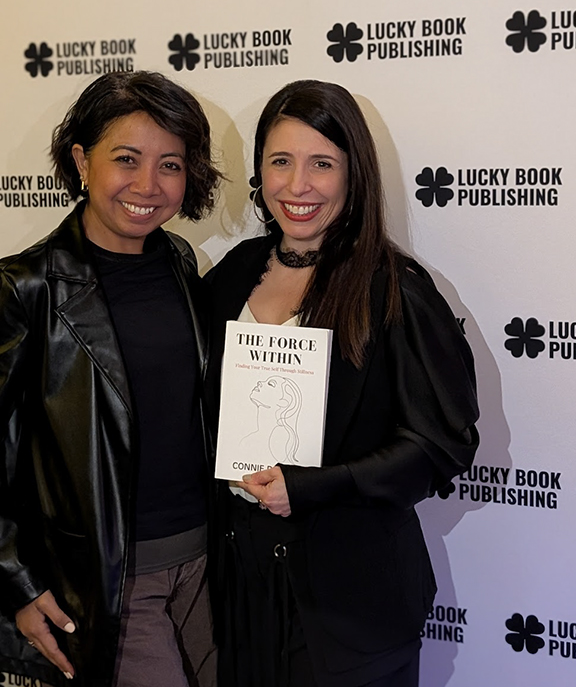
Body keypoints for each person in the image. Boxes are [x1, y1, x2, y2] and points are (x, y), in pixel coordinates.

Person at [0, 71, 222, 687]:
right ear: (81, 161)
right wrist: (18, 581)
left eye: (170, 165)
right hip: (107, 581)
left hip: (207, 566)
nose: (148, 185)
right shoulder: (30, 286)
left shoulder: (180, 262)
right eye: (127, 159)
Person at [205, 80, 479, 687]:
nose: (297, 185)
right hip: (243, 598)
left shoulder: (394, 289)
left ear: (354, 175)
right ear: (259, 171)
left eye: (322, 164)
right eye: (280, 161)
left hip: (353, 612)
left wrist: (315, 486)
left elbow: (441, 445)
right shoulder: (230, 276)